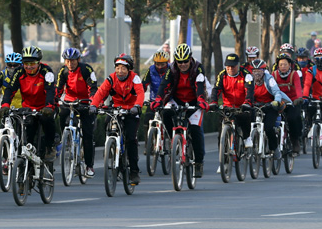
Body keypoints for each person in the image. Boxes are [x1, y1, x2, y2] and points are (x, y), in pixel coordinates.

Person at [152, 43, 209, 177]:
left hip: (194, 102)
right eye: (179, 61)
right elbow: (164, 85)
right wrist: (158, 100)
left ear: (190, 59)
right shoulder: (171, 69)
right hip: (177, 100)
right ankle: (174, 138)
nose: (182, 64)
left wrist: (201, 100)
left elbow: (200, 86)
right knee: (165, 112)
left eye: (185, 61)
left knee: (195, 130)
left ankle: (199, 162)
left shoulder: (198, 68)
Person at [89, 53, 144, 185]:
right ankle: (112, 150)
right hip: (116, 108)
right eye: (117, 68)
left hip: (131, 110)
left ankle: (134, 172)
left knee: (131, 139)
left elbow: (140, 93)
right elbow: (101, 92)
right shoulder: (111, 79)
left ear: (129, 69)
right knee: (107, 125)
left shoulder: (135, 78)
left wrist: (137, 106)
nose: (120, 71)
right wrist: (93, 105)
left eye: (123, 68)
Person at [0, 46, 58, 169]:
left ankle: (49, 147)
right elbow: (10, 89)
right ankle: (25, 172)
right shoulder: (19, 72)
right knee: (27, 141)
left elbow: (50, 91)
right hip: (28, 108)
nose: (29, 67)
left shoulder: (47, 72)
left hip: (44, 107)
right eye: (26, 63)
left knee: (48, 121)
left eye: (32, 63)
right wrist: (5, 105)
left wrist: (48, 106)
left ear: (39, 63)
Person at [55, 47, 98, 176]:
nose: (70, 64)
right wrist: (55, 99)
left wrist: (92, 101)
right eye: (67, 61)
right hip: (69, 101)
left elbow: (93, 87)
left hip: (85, 102)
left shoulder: (86, 69)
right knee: (62, 114)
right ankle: (66, 137)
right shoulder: (63, 71)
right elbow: (58, 88)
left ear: (78, 60)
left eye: (73, 61)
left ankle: (89, 166)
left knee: (88, 135)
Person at [210, 53, 255, 146]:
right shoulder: (222, 75)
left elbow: (249, 90)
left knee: (245, 118)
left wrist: (247, 102)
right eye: (228, 66)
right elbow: (216, 89)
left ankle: (247, 138)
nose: (230, 69)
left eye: (233, 66)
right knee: (221, 128)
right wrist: (213, 102)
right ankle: (223, 153)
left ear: (238, 65)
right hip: (227, 106)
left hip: (242, 106)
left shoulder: (246, 74)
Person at [249, 58, 291, 155]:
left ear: (264, 71)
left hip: (270, 106)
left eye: (259, 71)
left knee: (268, 127)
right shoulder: (249, 80)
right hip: (255, 105)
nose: (257, 74)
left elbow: (276, 91)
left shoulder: (269, 79)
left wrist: (276, 101)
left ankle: (274, 148)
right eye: (254, 71)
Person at [272, 53, 304, 154]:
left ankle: (295, 141)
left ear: (290, 65)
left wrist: (299, 98)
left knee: (293, 119)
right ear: (278, 66)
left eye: (285, 64)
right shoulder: (274, 75)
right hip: (279, 101)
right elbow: (270, 88)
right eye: (281, 65)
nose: (283, 67)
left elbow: (298, 87)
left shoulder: (294, 74)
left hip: (292, 101)